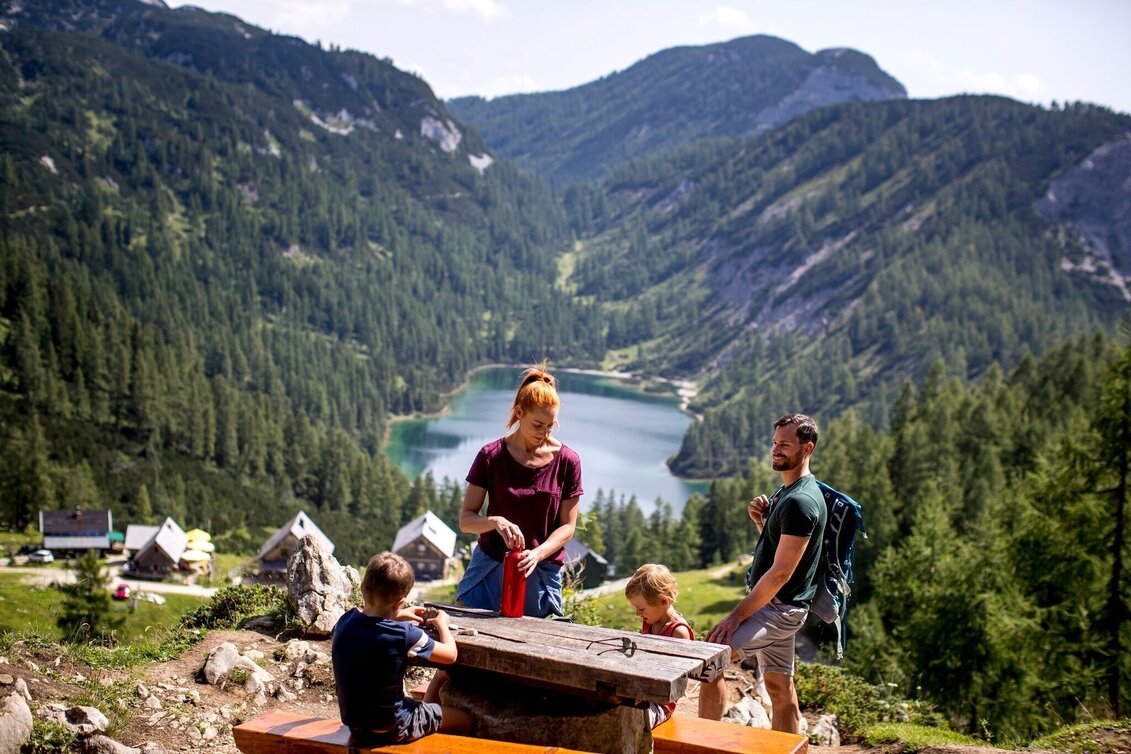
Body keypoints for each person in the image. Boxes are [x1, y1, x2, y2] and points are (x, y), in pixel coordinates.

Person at [424, 361, 584, 703]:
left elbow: (567, 527)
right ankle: (424, 719)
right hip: (489, 565)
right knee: (456, 653)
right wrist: (495, 521)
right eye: (537, 424)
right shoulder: (491, 456)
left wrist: (538, 554)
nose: (544, 432)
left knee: (532, 659)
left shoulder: (568, 461)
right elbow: (467, 520)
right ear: (519, 413)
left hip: (538, 571)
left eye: (551, 425)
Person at [699, 413, 826, 734]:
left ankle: (702, 743)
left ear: (807, 448)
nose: (776, 450)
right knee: (779, 687)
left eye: (785, 444)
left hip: (778, 610)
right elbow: (782, 555)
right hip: (782, 607)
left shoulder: (800, 501)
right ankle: (789, 748)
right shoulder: (788, 492)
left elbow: (781, 573)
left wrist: (735, 617)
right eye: (774, 443)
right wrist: (761, 523)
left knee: (711, 661)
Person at [332, 552, 472, 746]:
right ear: (400, 602)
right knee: (465, 720)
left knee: (428, 696)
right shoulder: (404, 634)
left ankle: (439, 681)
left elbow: (370, 627)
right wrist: (443, 625)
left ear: (363, 587)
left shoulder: (344, 621)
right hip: (393, 726)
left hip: (356, 723)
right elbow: (450, 655)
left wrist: (395, 614)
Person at [624, 563, 694, 727]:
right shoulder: (650, 621)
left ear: (663, 601)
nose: (637, 613)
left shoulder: (679, 633)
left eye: (641, 609)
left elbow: (678, 681)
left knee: (632, 722)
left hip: (661, 704)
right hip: (641, 693)